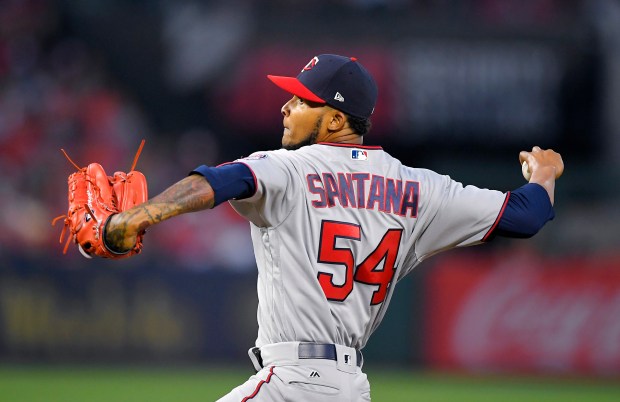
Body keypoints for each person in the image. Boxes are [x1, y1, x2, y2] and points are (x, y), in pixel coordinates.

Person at [104, 54, 564, 401]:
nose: (286, 108)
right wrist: (544, 175)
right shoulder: (422, 189)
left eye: (301, 101)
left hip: (291, 383)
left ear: (337, 119)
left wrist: (136, 217)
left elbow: (223, 181)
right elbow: (526, 216)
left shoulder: (290, 167)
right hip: (350, 387)